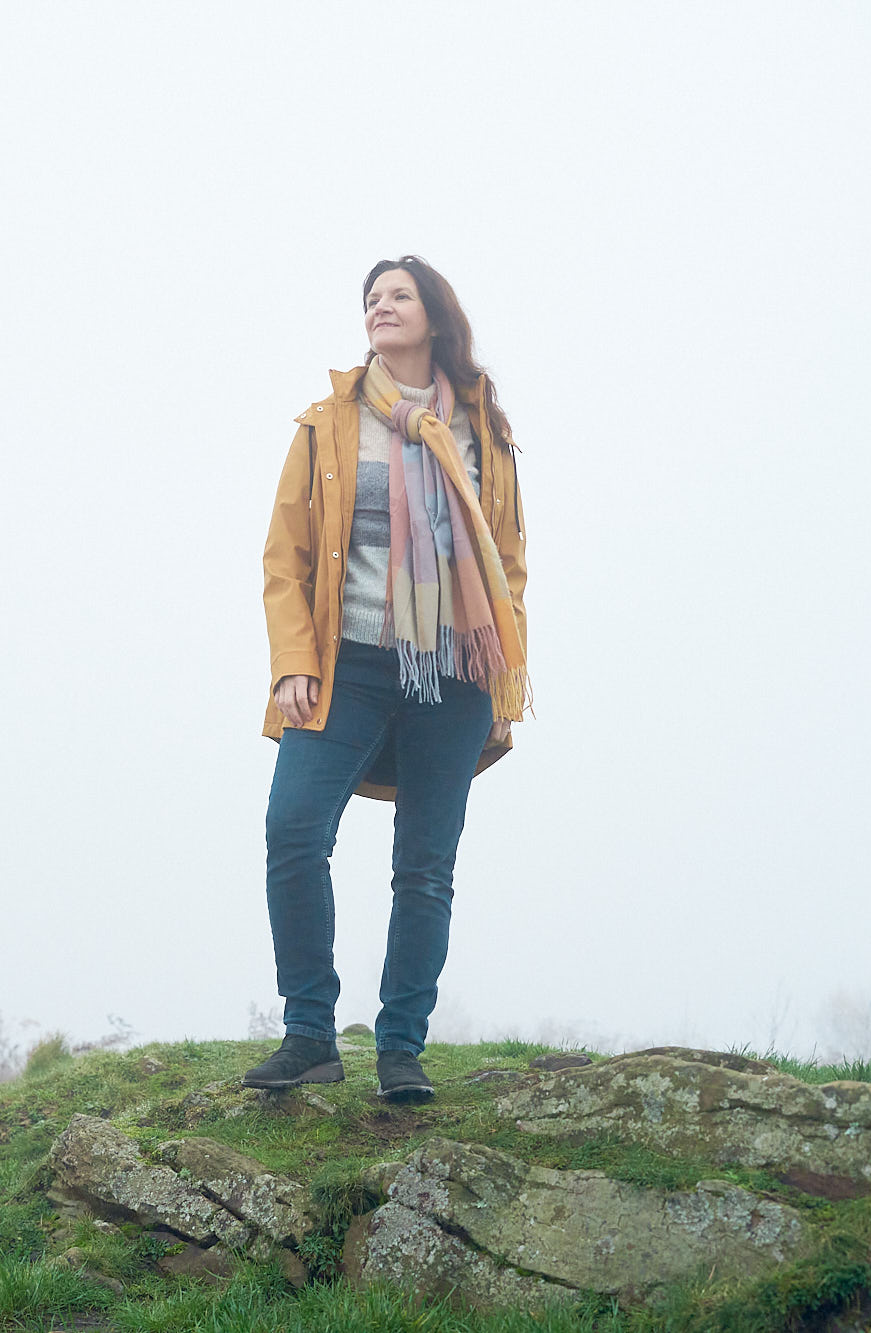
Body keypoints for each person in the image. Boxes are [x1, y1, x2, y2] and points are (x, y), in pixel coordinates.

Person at [246, 255, 529, 1102]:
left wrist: (505, 665)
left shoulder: (484, 429)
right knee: (294, 830)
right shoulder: (326, 424)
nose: (381, 307)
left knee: (426, 868)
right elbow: (284, 558)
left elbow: (508, 562)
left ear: (435, 316)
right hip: (351, 666)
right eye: (371, 298)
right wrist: (294, 662)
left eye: (398, 295)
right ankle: (309, 1033)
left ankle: (400, 1047)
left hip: (455, 673)